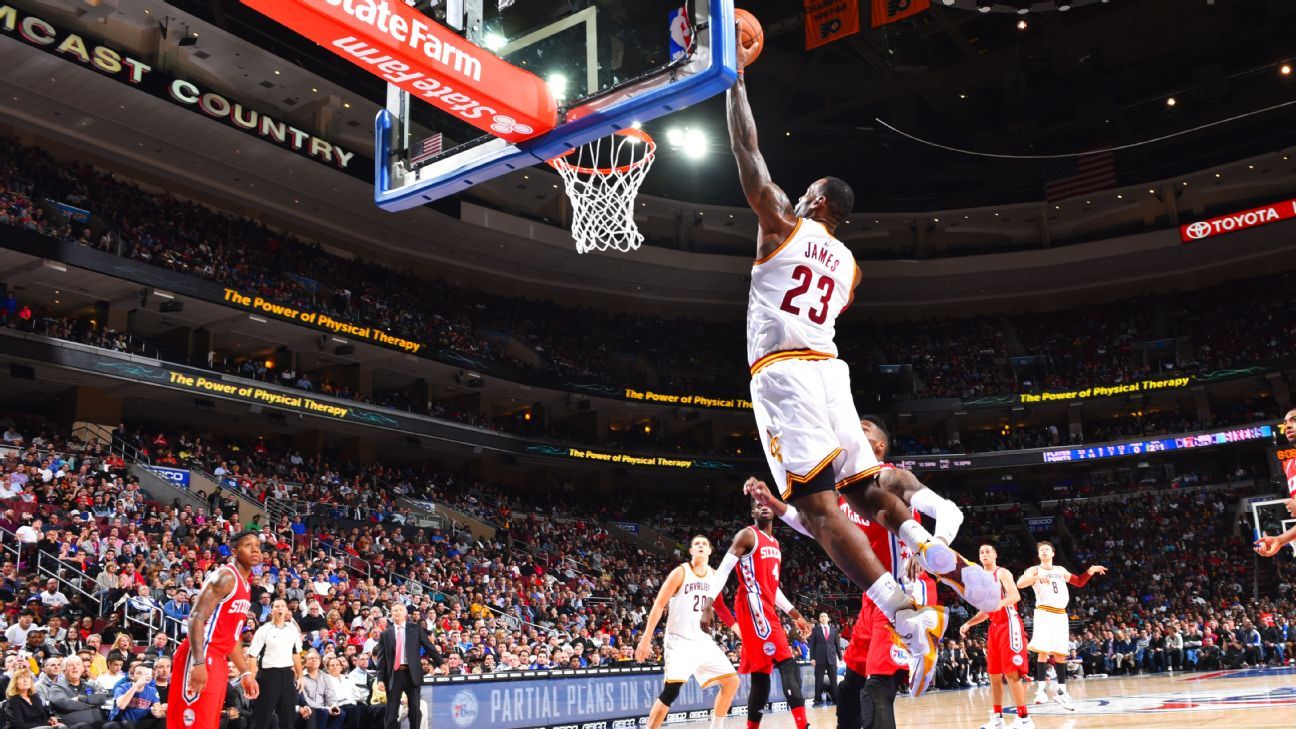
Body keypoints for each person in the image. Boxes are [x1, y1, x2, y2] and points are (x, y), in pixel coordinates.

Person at [727, 47, 998, 699]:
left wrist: (731, 80)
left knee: (819, 508)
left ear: (815, 198)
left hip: (785, 375)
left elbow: (747, 152)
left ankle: (903, 607)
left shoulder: (780, 223)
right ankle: (927, 547)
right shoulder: (851, 267)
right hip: (832, 372)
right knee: (870, 492)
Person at [745, 417, 959, 728]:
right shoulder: (844, 495)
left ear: (878, 446)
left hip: (904, 594)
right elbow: (811, 527)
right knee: (849, 690)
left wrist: (931, 547)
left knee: (876, 690)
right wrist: (774, 503)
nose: (854, 428)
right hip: (873, 599)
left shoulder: (892, 477)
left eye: (865, 428)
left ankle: (923, 636)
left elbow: (948, 510)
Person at [709, 502, 812, 729]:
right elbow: (724, 569)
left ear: (774, 511)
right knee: (788, 664)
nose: (763, 507)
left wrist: (795, 614)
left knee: (761, 675)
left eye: (766, 503)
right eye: (757, 505)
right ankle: (803, 725)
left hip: (765, 605)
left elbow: (772, 588)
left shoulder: (775, 543)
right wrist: (709, 603)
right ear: (752, 512)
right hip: (752, 605)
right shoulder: (747, 535)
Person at [633, 535, 739, 729]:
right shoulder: (680, 572)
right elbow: (658, 605)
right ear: (690, 551)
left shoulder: (715, 576)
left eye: (704, 544)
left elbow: (722, 608)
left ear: (710, 551)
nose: (700, 546)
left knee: (732, 682)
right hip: (679, 641)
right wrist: (646, 638)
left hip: (702, 641)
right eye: (696, 544)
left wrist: (737, 629)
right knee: (671, 691)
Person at [167, 531, 261, 729]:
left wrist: (244, 672)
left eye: (258, 546)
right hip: (201, 654)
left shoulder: (246, 586)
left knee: (209, 722)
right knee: (191, 722)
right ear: (234, 551)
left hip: (219, 658)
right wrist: (199, 662)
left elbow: (232, 636)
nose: (255, 549)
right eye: (248, 545)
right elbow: (195, 618)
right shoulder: (225, 576)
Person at [1017, 542, 1106, 709]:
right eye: (1041, 550)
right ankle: (1041, 690)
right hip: (1044, 612)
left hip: (1061, 614)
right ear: (1039, 554)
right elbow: (1020, 583)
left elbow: (1079, 582)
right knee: (1042, 651)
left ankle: (1061, 692)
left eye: (1047, 549)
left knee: (1060, 654)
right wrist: (1034, 578)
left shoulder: (1060, 570)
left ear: (1053, 553)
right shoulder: (1035, 570)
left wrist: (1090, 571)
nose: (1044, 552)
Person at [960, 545, 1033, 729]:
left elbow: (1015, 596)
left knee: (1011, 673)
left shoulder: (1002, 573)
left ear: (995, 555)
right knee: (993, 674)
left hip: (1009, 624)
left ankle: (1024, 718)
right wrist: (969, 623)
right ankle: (998, 718)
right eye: (981, 552)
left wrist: (996, 604)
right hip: (994, 627)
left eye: (988, 551)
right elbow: (986, 611)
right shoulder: (981, 580)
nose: (984, 554)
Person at [373, 602, 442, 729]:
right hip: (394, 675)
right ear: (391, 614)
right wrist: (380, 679)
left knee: (415, 710)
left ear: (405, 613)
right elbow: (382, 659)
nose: (397, 612)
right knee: (391, 713)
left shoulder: (415, 629)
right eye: (395, 610)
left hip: (412, 674)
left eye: (400, 610)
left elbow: (429, 647)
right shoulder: (385, 634)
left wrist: (441, 663)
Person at [247, 599, 302, 729]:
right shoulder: (264, 630)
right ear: (272, 610)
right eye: (277, 606)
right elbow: (252, 656)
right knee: (262, 716)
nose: (280, 608)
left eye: (283, 606)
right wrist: (252, 679)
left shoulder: (292, 629)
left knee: (288, 716)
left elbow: (296, 653)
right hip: (268, 676)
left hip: (288, 675)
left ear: (287, 610)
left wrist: (300, 676)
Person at [1255, 408, 1296, 557]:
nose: (1288, 426)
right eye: (1285, 423)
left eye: (1294, 420)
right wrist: (1280, 539)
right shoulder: (1290, 465)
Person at [6, 665, 74, 729]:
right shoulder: (13, 700)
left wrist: (50, 719)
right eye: (21, 678)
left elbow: (43, 715)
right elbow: (18, 725)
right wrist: (46, 725)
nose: (25, 680)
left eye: (27, 677)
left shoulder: (35, 696)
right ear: (15, 683)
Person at [298, 650, 343, 729]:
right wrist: (325, 708)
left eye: (316, 658)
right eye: (311, 658)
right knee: (323, 713)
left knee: (341, 713)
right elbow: (305, 699)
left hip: (325, 708)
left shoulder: (325, 676)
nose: (314, 660)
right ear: (305, 663)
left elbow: (330, 694)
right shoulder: (301, 678)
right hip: (309, 708)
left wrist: (333, 706)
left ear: (320, 662)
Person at [111, 662, 163, 729]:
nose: (142, 676)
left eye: (145, 674)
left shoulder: (152, 691)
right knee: (128, 724)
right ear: (132, 676)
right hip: (120, 722)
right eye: (139, 673)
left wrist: (159, 713)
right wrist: (136, 686)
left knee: (163, 721)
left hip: (140, 723)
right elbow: (121, 706)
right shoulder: (122, 688)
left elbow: (160, 711)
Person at [807, 612, 840, 707]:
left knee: (834, 679)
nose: (823, 617)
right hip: (819, 658)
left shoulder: (834, 630)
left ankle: (836, 699)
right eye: (821, 616)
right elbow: (812, 645)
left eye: (825, 616)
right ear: (819, 619)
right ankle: (817, 700)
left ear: (828, 618)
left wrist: (840, 658)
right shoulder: (815, 630)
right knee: (819, 680)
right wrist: (812, 658)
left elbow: (837, 645)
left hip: (832, 658)